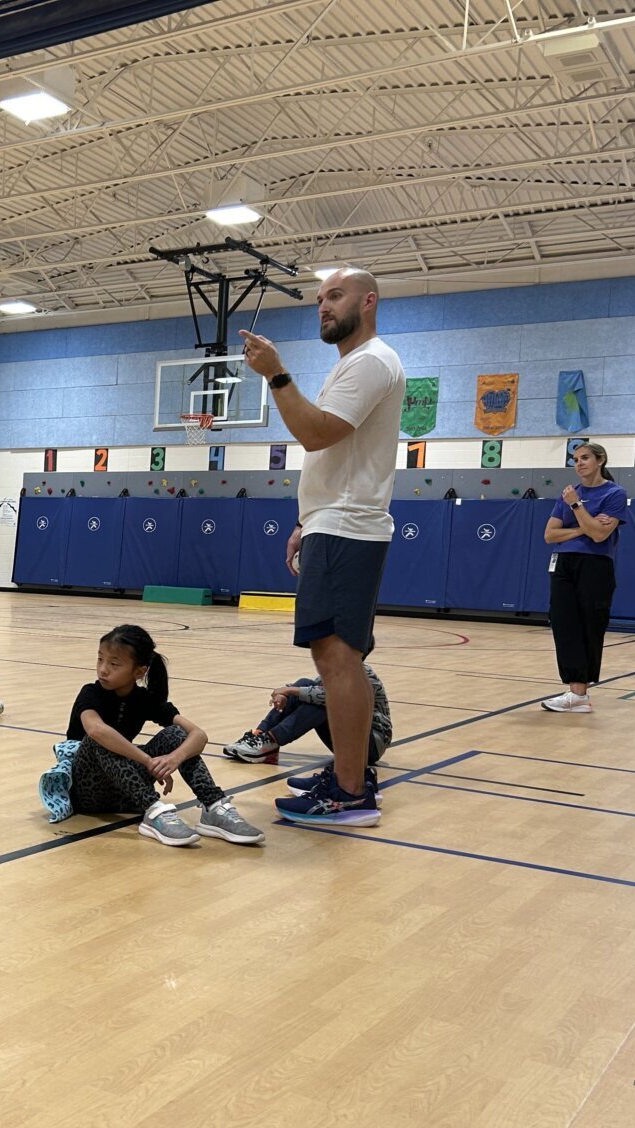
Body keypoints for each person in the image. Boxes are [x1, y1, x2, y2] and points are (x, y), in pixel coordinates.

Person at [238, 267, 404, 827]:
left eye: (335, 296)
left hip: (347, 526)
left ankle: (350, 792)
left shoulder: (372, 362)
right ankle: (348, 776)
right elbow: (336, 454)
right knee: (335, 657)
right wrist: (309, 520)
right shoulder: (353, 364)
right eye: (319, 300)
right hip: (333, 523)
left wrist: (277, 375)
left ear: (369, 301)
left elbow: (315, 433)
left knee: (336, 658)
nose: (324, 307)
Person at [39, 624, 262, 847]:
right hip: (88, 793)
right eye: (100, 660)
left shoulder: (145, 699)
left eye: (114, 663)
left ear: (139, 671)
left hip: (127, 793)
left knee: (176, 734)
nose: (103, 669)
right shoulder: (91, 693)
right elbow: (96, 730)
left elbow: (198, 735)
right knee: (100, 738)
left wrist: (173, 759)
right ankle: (154, 810)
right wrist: (147, 760)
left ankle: (214, 806)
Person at [541, 442, 630, 713]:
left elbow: (600, 535)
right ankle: (574, 693)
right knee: (564, 623)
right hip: (563, 563)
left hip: (595, 565)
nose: (579, 463)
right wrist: (583, 529)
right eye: (575, 459)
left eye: (585, 458)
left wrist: (577, 507)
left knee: (589, 625)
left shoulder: (614, 493)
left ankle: (580, 693)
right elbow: (549, 535)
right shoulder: (568, 493)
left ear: (600, 460)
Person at [222, 663, 393, 770]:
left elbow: (330, 696)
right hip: (350, 740)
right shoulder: (337, 669)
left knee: (327, 703)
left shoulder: (364, 675)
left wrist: (288, 690)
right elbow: (308, 688)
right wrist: (285, 695)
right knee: (304, 684)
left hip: (369, 746)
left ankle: (270, 742)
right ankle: (259, 736)